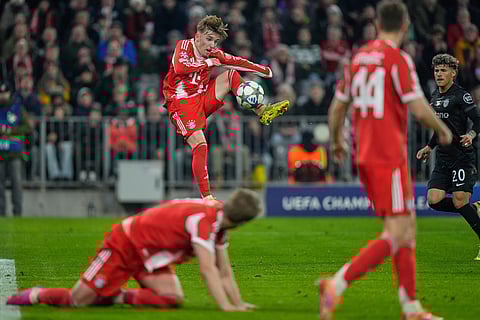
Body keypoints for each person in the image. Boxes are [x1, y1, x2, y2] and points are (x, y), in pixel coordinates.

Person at [323, 1, 452, 320]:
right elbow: (420, 110)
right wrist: (443, 131)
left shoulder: (356, 60)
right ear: (405, 26)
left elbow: (337, 109)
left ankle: (411, 307)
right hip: (388, 157)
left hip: (365, 154)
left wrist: (338, 141)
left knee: (406, 229)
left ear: (378, 24)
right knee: (397, 232)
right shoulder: (398, 59)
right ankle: (336, 284)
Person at [7, 188, 261, 311]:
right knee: (78, 301)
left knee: (172, 300)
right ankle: (38, 294)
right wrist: (225, 307)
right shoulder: (205, 221)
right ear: (242, 222)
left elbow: (224, 270)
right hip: (125, 244)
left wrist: (238, 303)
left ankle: (116, 296)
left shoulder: (219, 222)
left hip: (148, 255)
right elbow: (209, 270)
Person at [163, 15, 290, 200]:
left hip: (201, 99)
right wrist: (209, 63)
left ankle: (262, 110)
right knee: (200, 145)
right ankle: (207, 197)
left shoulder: (214, 54)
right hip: (180, 103)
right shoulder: (183, 46)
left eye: (215, 41)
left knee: (231, 75)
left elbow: (237, 61)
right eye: (208, 39)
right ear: (197, 36)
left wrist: (264, 70)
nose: (211, 45)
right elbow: (182, 68)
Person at [416, 53, 480, 261]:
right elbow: (440, 129)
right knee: (434, 201)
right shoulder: (435, 96)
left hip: (462, 157)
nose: (439, 74)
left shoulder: (462, 96)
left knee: (460, 202)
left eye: (444, 70)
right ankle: (475, 209)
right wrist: (429, 146)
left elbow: (478, 122)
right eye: (436, 70)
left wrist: (470, 135)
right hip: (443, 158)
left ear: (453, 73)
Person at [0, 81, 31, 216]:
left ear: (9, 93)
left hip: (15, 151)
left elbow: (27, 127)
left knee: (16, 183)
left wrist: (11, 131)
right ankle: (1, 213)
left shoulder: (17, 109)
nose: (3, 95)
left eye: (5, 93)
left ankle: (17, 212)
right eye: (1, 93)